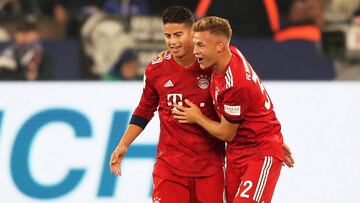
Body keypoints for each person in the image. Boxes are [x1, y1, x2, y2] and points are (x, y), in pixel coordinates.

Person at [109, 6, 225, 203]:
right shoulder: (156, 69)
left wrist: (265, 138)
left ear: (193, 32)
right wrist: (123, 144)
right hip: (170, 170)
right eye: (168, 36)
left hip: (209, 169)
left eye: (178, 34)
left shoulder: (214, 66)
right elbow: (144, 110)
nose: (172, 41)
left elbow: (239, 107)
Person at [172, 16, 293, 203]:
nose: (195, 51)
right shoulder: (231, 54)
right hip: (238, 151)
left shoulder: (235, 84)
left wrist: (197, 117)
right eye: (195, 45)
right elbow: (255, 104)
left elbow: (226, 133)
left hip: (259, 153)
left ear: (220, 46)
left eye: (201, 46)